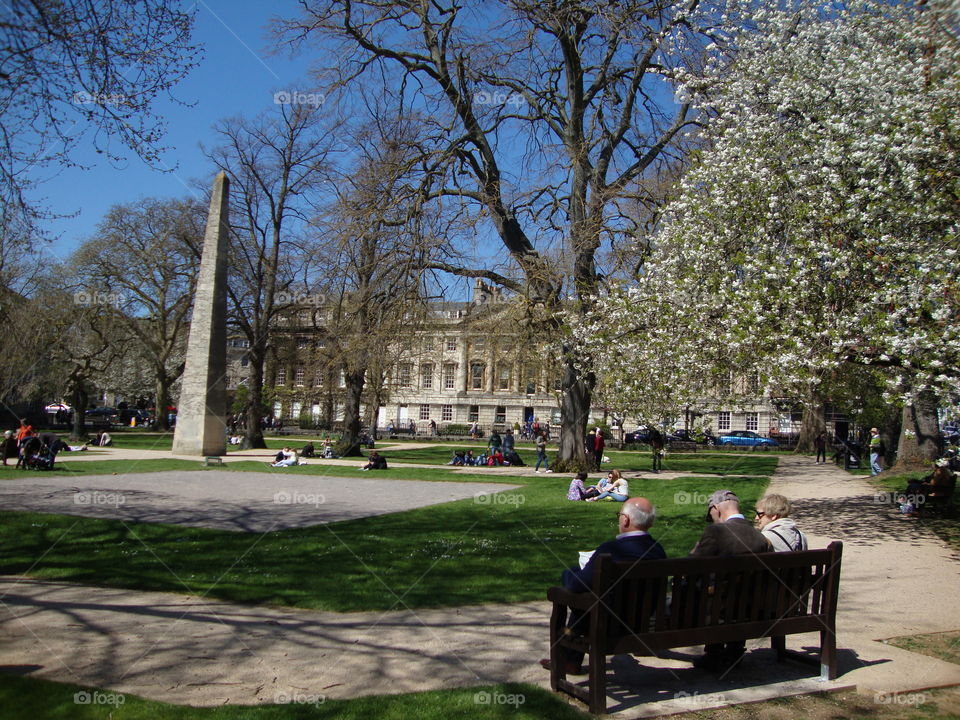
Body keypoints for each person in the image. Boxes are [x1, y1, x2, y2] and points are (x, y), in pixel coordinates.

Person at [539, 497, 666, 674]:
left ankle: (568, 659)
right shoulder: (658, 550)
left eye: (620, 514)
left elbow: (576, 586)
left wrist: (568, 574)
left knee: (579, 593)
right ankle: (569, 660)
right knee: (589, 600)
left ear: (626, 519)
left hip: (608, 623)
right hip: (641, 621)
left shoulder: (612, 549)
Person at [689, 489, 772, 671]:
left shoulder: (715, 532)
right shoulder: (760, 537)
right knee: (736, 591)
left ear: (717, 509)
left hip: (716, 608)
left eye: (710, 514)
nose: (711, 519)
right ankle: (734, 649)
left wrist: (693, 553)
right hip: (750, 607)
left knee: (705, 589)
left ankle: (715, 652)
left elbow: (692, 570)